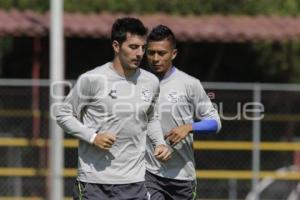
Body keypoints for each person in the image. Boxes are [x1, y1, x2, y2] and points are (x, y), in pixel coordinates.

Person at [56, 17, 171, 200]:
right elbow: (62, 114)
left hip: (135, 183)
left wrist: (160, 143)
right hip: (94, 183)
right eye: (133, 47)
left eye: (143, 47)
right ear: (116, 46)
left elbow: (151, 118)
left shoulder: (151, 82)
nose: (139, 53)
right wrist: (93, 137)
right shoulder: (92, 79)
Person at [145, 25, 222, 200]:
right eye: (151, 53)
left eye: (161, 53)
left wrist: (188, 127)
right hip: (147, 172)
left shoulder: (189, 84)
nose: (155, 58)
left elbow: (215, 122)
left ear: (173, 54)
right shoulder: (135, 83)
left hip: (182, 177)